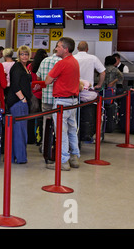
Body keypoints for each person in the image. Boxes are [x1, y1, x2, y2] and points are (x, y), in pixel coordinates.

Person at [45, 37, 80, 171]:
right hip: (73, 101)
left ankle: (63, 161)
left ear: (65, 49)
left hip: (62, 102)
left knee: (61, 132)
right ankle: (74, 157)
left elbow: (48, 80)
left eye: (58, 46)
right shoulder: (75, 62)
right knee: (72, 130)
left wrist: (54, 79)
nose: (56, 48)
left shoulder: (61, 63)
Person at [6, 45, 32, 164]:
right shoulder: (17, 67)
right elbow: (15, 85)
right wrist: (23, 99)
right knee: (19, 131)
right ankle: (20, 157)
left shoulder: (24, 67)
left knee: (18, 131)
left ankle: (15, 156)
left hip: (20, 102)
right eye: (22, 54)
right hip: (18, 103)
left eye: (26, 54)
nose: (24, 56)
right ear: (18, 55)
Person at [36, 46, 61, 153]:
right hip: (59, 99)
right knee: (59, 125)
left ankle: (45, 146)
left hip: (45, 97)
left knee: (46, 123)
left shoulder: (44, 61)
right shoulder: (63, 62)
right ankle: (57, 147)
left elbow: (38, 78)